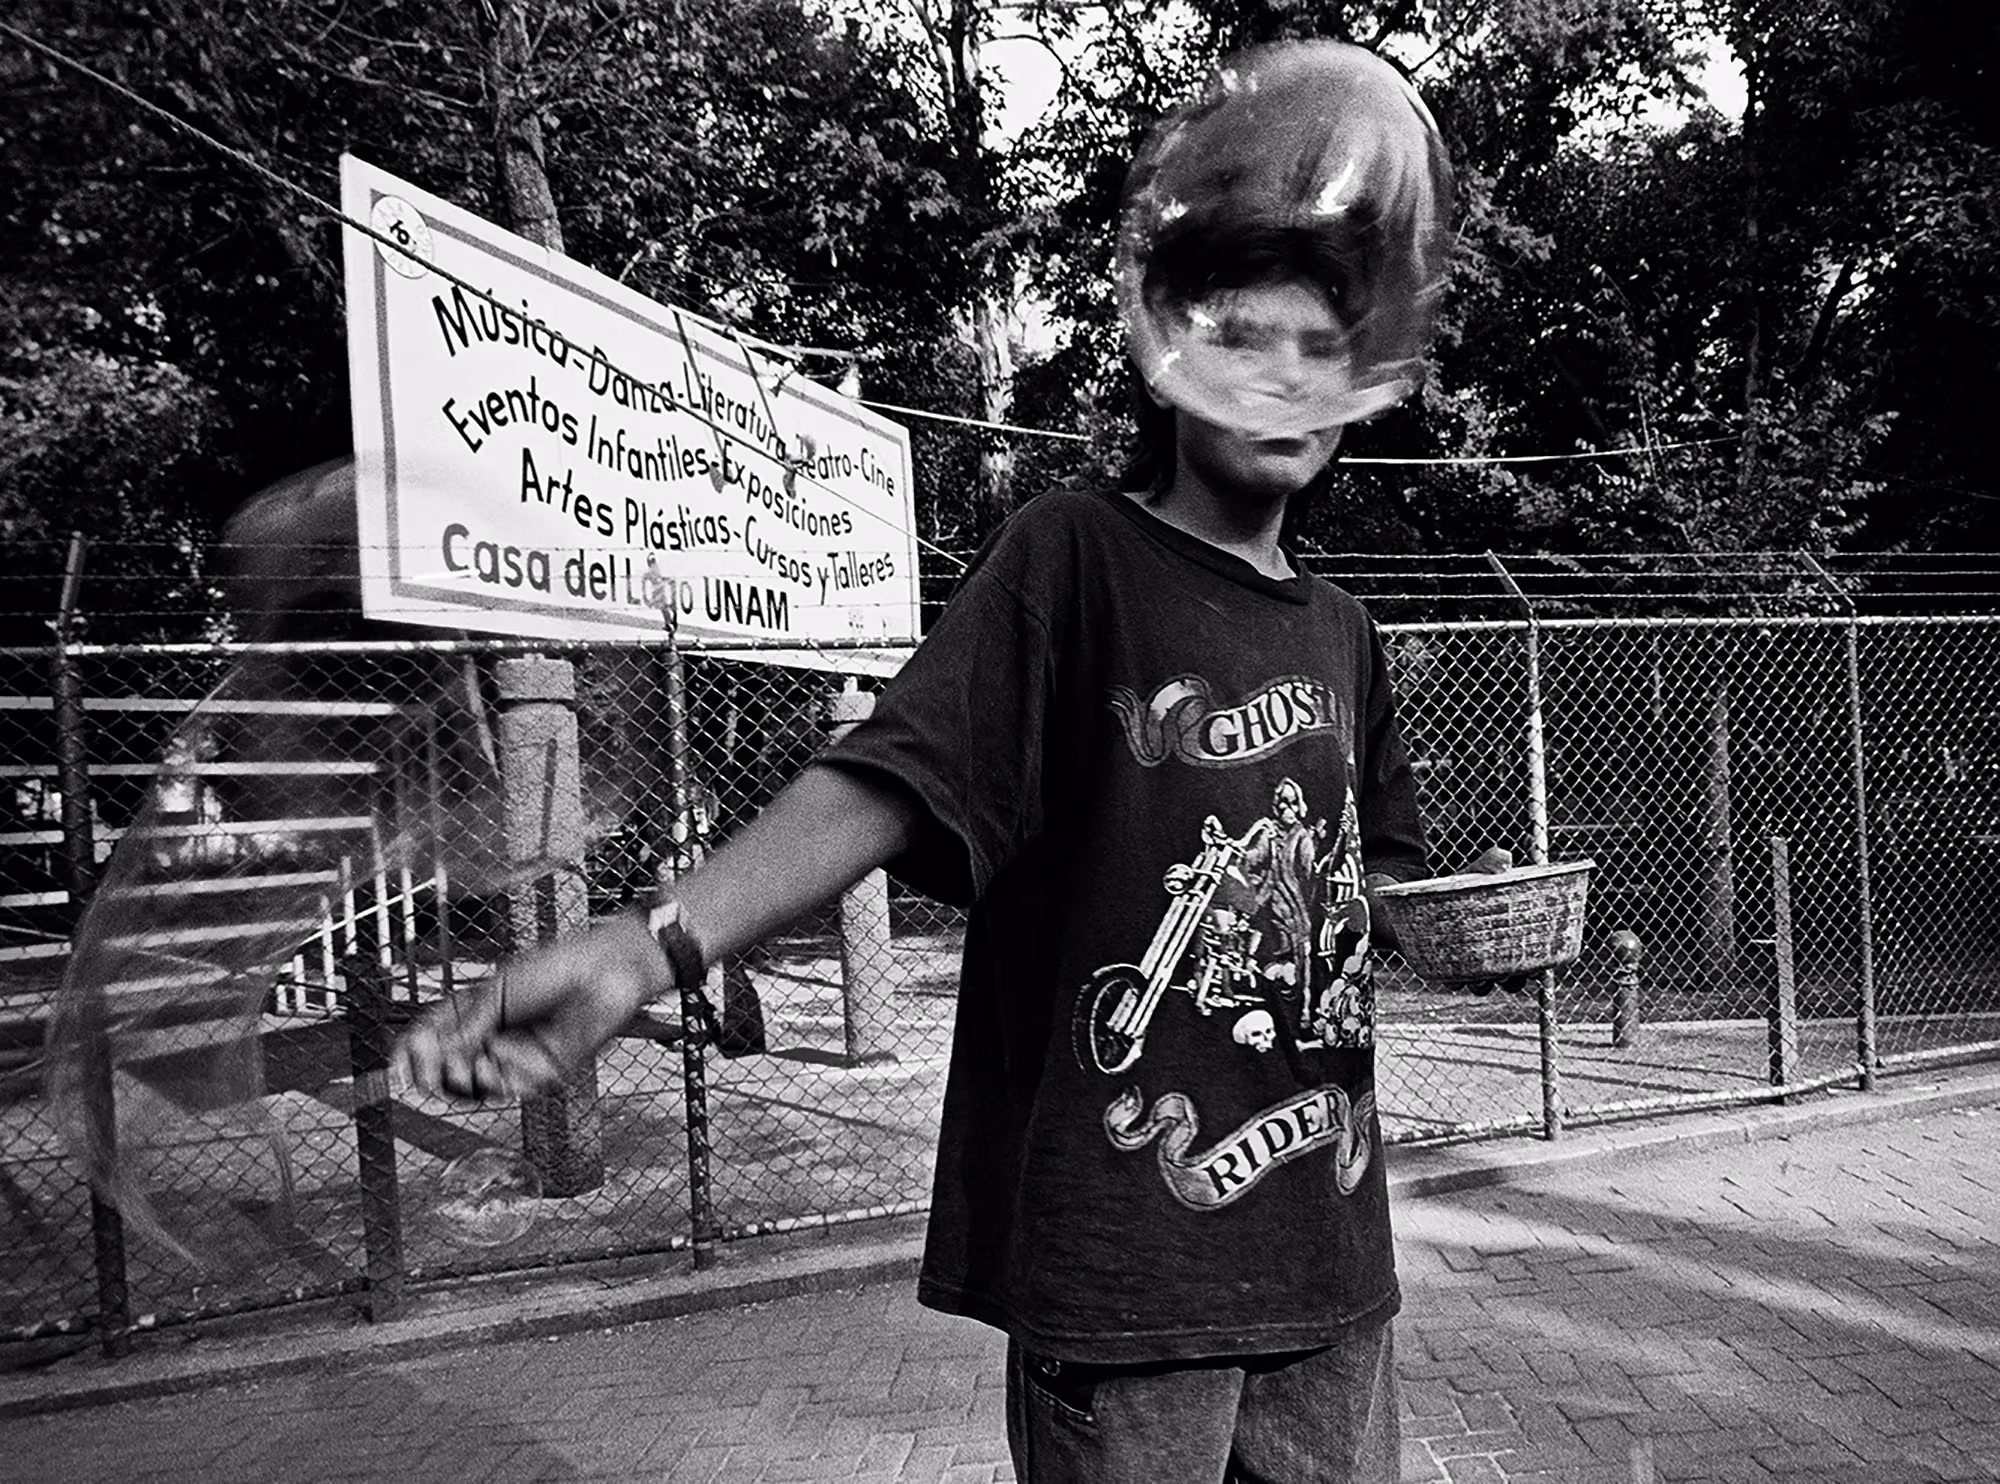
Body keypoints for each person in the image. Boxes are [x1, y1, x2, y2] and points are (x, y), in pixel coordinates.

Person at [396, 39, 1453, 1483]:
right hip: (1131, 1276)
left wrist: (1444, 928)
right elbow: (893, 779)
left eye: (1320, 349)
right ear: (1170, 358)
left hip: (1331, 1259)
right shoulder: (1074, 561)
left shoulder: (1346, 630)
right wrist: (653, 949)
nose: (1285, 378)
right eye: (1246, 340)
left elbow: (1370, 888)